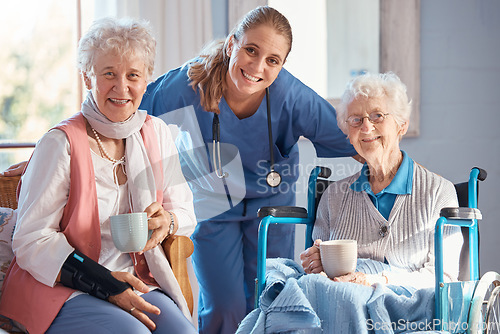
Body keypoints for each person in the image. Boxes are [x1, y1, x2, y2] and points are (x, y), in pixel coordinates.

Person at [139, 6, 358, 333]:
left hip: (271, 207)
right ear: (232, 45)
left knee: (268, 300)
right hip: (212, 204)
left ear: (282, 65)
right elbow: (127, 108)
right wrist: (69, 148)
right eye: (250, 50)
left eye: (272, 60)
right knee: (224, 307)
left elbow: (352, 140)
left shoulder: (291, 95)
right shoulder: (190, 82)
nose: (257, 67)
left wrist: (397, 169)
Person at [0, 17, 197, 334]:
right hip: (66, 288)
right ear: (87, 77)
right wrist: (106, 284)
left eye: (133, 75)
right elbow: (32, 240)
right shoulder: (59, 143)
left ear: (147, 79)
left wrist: (168, 222)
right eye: (109, 74)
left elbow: (186, 210)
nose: (122, 88)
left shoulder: (155, 133)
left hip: (137, 280)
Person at [300, 72, 463, 289]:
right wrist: (318, 262)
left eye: (377, 116)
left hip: (408, 313)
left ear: (402, 125)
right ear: (348, 134)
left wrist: (373, 282)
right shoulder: (333, 197)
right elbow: (320, 275)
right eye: (356, 120)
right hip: (339, 302)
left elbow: (444, 278)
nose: (366, 128)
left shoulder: (439, 193)